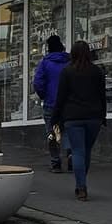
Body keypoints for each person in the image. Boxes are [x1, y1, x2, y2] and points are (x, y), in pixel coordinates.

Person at [52, 40, 107, 200]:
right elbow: (101, 96)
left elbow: (60, 97)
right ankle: (82, 181)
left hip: (73, 117)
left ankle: (81, 186)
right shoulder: (97, 71)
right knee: (86, 151)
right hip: (93, 117)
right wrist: (103, 115)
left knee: (77, 151)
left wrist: (55, 118)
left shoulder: (67, 72)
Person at [32, 34, 69, 172]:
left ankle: (56, 162)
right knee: (68, 131)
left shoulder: (45, 63)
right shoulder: (69, 61)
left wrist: (44, 95)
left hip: (51, 103)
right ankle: (71, 155)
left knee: (52, 133)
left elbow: (38, 82)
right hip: (68, 103)